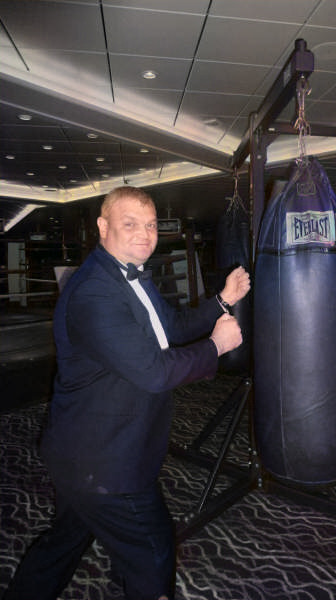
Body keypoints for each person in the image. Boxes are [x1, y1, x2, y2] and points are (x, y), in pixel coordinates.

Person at [3, 186, 250, 600]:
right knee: (152, 553)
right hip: (104, 461)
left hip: (83, 452)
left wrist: (222, 301)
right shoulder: (95, 293)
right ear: (103, 227)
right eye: (130, 224)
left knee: (63, 544)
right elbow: (153, 372)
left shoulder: (130, 275)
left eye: (151, 225)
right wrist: (216, 347)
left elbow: (169, 328)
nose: (144, 234)